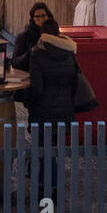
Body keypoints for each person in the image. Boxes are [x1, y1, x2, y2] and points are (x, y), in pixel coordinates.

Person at [26, 18, 80, 201]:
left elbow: (36, 88)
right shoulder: (69, 52)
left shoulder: (38, 54)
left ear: (43, 34)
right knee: (55, 149)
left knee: (42, 149)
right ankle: (53, 186)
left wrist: (27, 101)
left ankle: (44, 187)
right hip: (63, 111)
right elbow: (75, 83)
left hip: (42, 111)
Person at [12, 1, 56, 72]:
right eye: (37, 17)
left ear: (48, 16)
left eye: (43, 16)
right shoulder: (23, 37)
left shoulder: (55, 34)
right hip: (31, 75)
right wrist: (30, 53)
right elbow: (15, 62)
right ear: (33, 19)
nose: (41, 19)